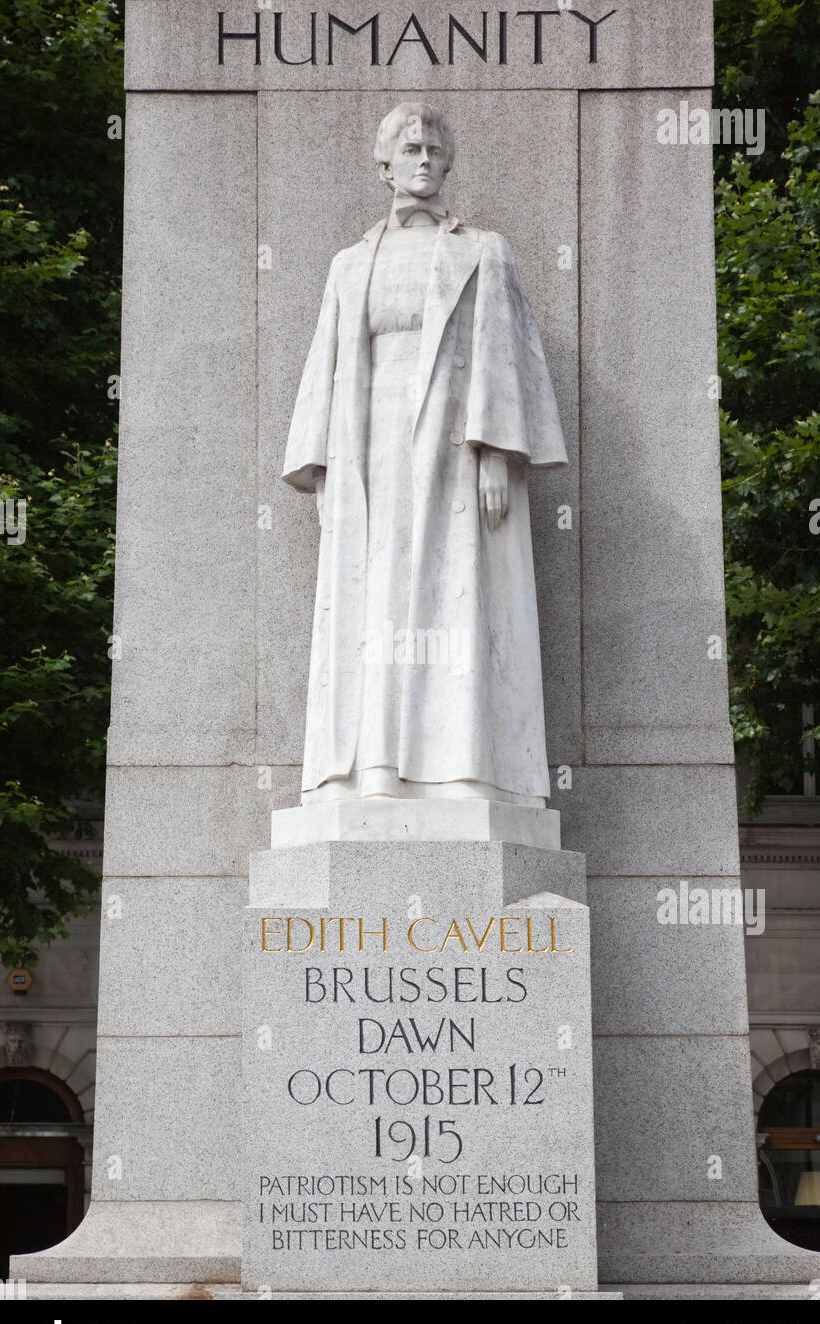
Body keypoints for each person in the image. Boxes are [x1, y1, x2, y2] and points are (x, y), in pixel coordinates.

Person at [283, 102, 567, 807]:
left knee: (456, 596)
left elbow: (505, 355)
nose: (422, 159)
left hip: (453, 448)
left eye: (434, 149)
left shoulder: (485, 251)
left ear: (448, 162)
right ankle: (372, 769)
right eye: (408, 148)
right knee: (373, 603)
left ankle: (462, 768)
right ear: (383, 164)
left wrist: (500, 452)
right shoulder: (350, 265)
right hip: (369, 452)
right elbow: (328, 366)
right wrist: (323, 470)